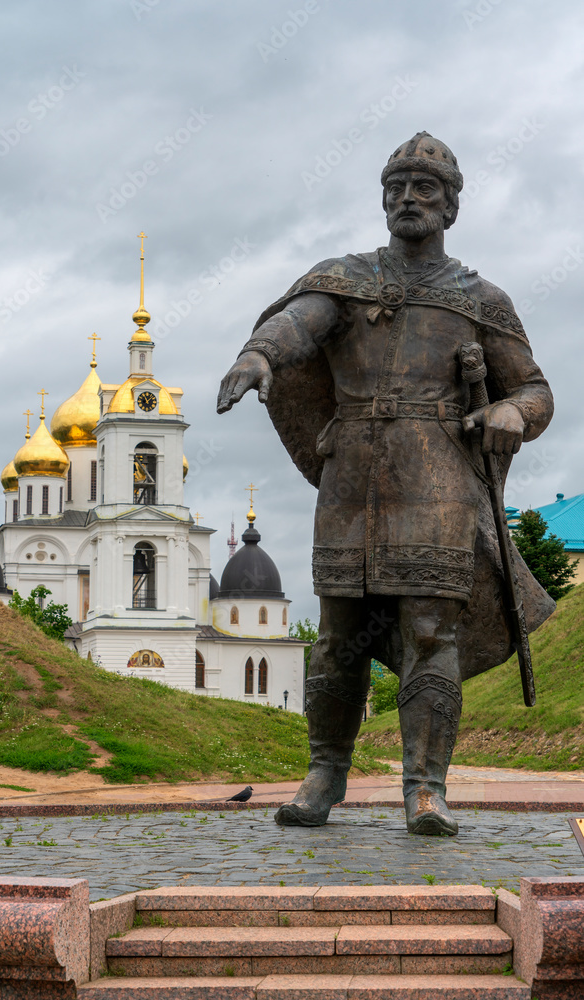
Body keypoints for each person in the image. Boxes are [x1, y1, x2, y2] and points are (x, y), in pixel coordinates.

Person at [217, 132, 555, 836]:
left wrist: (505, 412)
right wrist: (258, 353)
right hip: (351, 476)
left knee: (430, 632)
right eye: (395, 188)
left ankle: (425, 790)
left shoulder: (478, 299)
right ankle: (323, 774)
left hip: (437, 478)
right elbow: (296, 323)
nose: (407, 199)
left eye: (424, 188)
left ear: (450, 206)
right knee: (337, 635)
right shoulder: (344, 280)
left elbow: (533, 391)